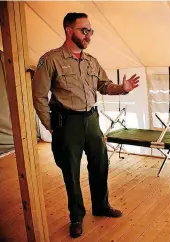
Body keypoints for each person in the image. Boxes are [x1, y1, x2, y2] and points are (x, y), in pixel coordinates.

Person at [32, 12, 140, 238]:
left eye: (91, 31)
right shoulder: (50, 59)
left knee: (100, 164)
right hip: (67, 122)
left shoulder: (92, 61)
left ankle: (101, 205)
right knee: (71, 172)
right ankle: (76, 216)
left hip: (92, 120)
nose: (89, 35)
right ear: (69, 31)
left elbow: (104, 85)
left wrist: (123, 88)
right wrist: (50, 125)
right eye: (84, 30)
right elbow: (39, 95)